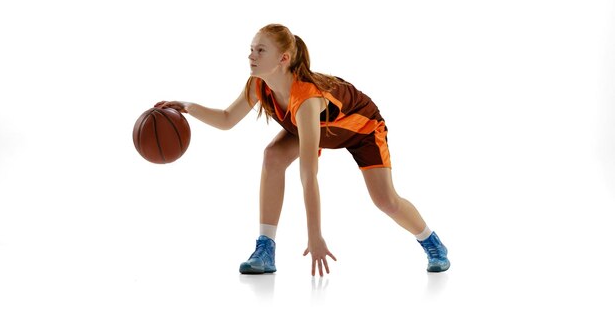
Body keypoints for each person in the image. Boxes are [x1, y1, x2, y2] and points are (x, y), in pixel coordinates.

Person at [156, 24, 450, 276]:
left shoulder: (306, 100)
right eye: (251, 48)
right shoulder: (258, 85)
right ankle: (265, 249)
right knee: (272, 156)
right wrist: (187, 107)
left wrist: (315, 235)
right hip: (318, 128)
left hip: (361, 129)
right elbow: (226, 119)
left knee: (386, 201)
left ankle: (431, 242)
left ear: (283, 59)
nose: (251, 55)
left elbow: (309, 174)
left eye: (260, 50)